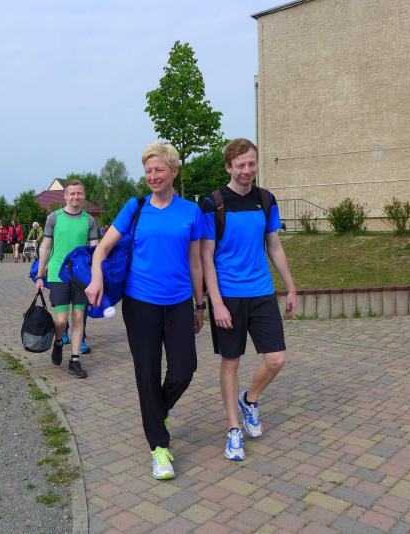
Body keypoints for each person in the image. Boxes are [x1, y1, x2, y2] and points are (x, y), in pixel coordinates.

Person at [86, 142, 204, 480]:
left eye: (159, 170)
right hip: (140, 304)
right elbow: (101, 249)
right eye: (148, 170)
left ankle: (158, 409)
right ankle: (159, 448)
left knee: (184, 368)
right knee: (147, 373)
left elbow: (196, 262)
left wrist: (200, 304)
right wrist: (96, 277)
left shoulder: (191, 212)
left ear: (174, 171)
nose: (153, 176)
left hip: (179, 302)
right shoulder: (135, 207)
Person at [200, 138, 297, 462]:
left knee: (276, 359)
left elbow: (274, 246)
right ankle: (233, 429)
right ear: (228, 167)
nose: (246, 170)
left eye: (251, 163)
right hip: (228, 294)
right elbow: (206, 256)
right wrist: (216, 302)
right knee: (231, 362)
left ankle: (250, 399)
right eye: (240, 165)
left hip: (261, 291)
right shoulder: (213, 203)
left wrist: (291, 286)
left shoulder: (266, 200)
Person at [36, 180, 99, 378]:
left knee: (79, 317)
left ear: (84, 196)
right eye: (72, 194)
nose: (76, 197)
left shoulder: (89, 220)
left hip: (80, 276)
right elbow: (45, 246)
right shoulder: (54, 218)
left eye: (79, 193)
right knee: (61, 320)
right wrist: (39, 275)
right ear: (65, 196)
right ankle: (58, 341)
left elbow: (94, 250)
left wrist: (97, 276)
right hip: (58, 273)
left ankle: (75, 360)